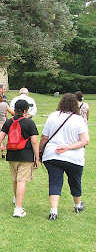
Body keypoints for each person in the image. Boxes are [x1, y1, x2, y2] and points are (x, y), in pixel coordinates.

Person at [39, 93, 89, 221]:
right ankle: (77, 204)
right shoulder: (78, 119)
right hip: (74, 157)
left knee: (55, 182)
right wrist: (68, 147)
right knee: (75, 181)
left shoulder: (53, 116)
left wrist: (39, 151)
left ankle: (53, 211)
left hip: (52, 155)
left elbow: (44, 137)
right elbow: (84, 141)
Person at [0, 100, 39, 218]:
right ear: (25, 111)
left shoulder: (8, 122)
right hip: (26, 155)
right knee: (22, 180)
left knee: (15, 179)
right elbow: (34, 141)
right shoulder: (29, 123)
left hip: (12, 155)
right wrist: (37, 158)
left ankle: (16, 199)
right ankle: (18, 208)